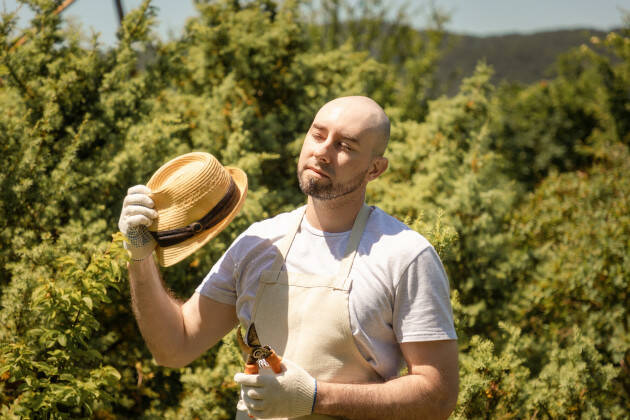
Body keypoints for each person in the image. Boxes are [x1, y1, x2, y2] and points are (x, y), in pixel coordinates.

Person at [118, 96, 459, 420]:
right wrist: (140, 256)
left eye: (345, 146)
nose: (323, 152)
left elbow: (438, 395)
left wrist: (315, 397)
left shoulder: (405, 255)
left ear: (375, 169)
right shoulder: (258, 243)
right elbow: (174, 347)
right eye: (318, 134)